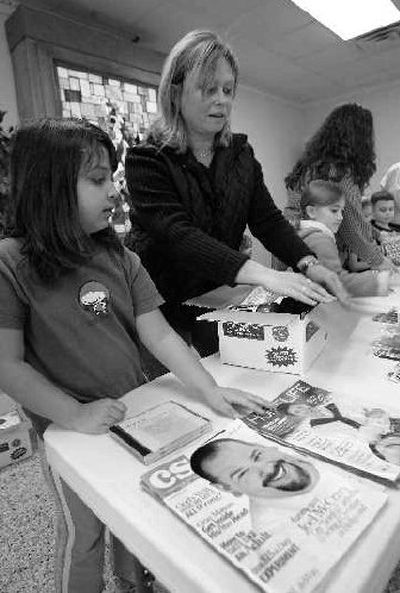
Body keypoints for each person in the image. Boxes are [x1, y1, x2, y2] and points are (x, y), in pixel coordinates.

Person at [0, 118, 270, 593]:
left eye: (113, 177)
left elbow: (160, 336)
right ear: (50, 185)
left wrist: (211, 390)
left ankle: (132, 580)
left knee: (135, 512)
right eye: (97, 179)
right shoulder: (10, 262)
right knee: (84, 533)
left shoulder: (122, 258)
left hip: (134, 416)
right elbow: (7, 364)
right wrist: (76, 414)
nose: (113, 191)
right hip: (71, 432)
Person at [125, 30, 347, 358]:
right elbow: (178, 235)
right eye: (208, 88)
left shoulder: (241, 155)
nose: (222, 100)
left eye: (228, 90)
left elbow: (268, 221)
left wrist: (310, 263)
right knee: (177, 386)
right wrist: (265, 275)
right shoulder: (147, 159)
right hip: (158, 304)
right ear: (175, 92)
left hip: (214, 294)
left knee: (227, 371)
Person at [285, 103, 394, 272]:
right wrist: (380, 261)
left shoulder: (311, 165)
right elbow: (350, 225)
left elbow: (353, 217)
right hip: (313, 252)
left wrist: (377, 234)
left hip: (289, 244)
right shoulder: (339, 171)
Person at [190, 437, 319, 530]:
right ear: (227, 487)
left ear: (265, 446)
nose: (268, 469)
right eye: (243, 473)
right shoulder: (273, 529)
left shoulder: (312, 449)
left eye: (258, 455)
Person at [297, 180, 397, 297]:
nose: (340, 217)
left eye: (342, 211)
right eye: (334, 210)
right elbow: (335, 281)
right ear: (311, 211)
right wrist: (382, 281)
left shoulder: (309, 234)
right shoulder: (319, 240)